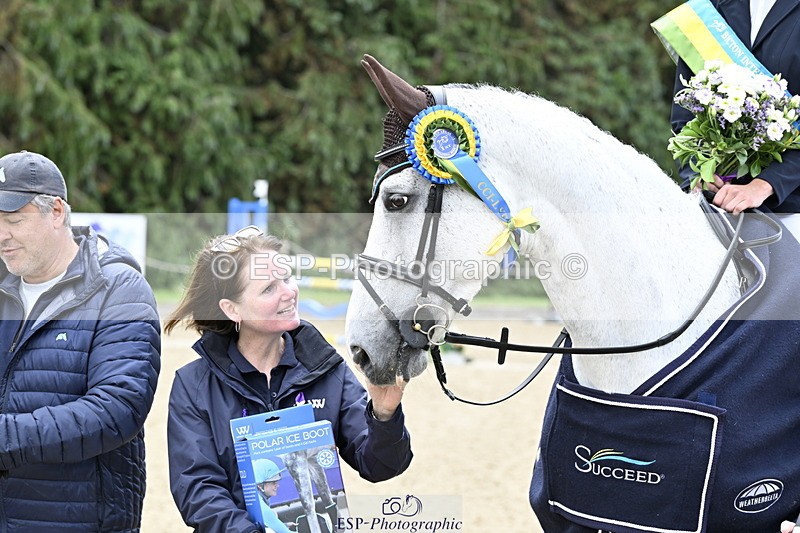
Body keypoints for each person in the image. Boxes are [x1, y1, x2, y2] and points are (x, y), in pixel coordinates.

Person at [164, 227, 412, 532]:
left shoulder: (326, 368)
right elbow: (198, 491)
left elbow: (381, 466)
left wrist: (384, 415)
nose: (288, 292)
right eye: (269, 288)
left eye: (287, 278)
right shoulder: (193, 386)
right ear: (232, 309)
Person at [0, 150, 161, 531]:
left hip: (74, 520)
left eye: (14, 220)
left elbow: (117, 409)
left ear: (57, 211)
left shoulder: (119, 290)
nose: (2, 235)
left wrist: (6, 437)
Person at [670, 0, 800, 238]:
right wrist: (699, 173)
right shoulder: (709, 7)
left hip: (788, 207)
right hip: (711, 201)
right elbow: (685, 112)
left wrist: (764, 185)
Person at [252, 459, 294, 533]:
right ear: (260, 486)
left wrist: (284, 525)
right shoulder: (259, 504)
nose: (277, 485)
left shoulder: (259, 496)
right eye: (273, 483)